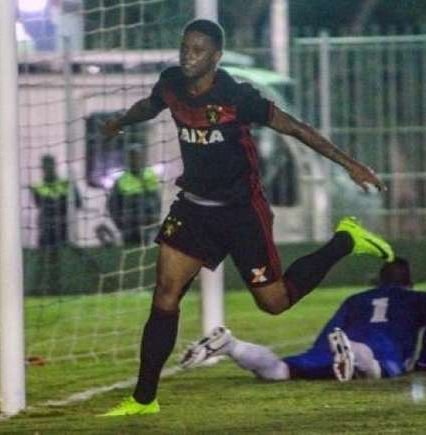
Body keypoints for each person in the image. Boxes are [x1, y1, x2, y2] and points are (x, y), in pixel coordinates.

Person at [99, 19, 393, 416]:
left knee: (274, 302)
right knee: (165, 295)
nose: (189, 55)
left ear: (216, 58)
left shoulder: (237, 96)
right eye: (185, 47)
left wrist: (350, 165)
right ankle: (143, 399)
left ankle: (345, 239)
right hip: (193, 209)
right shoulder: (171, 82)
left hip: (241, 212)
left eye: (199, 50)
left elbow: (296, 128)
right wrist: (119, 121)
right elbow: (149, 106)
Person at [180, 258, 426, 382]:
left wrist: (319, 351)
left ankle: (231, 345)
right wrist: (423, 362)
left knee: (280, 371)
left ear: (380, 280)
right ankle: (351, 351)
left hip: (334, 345)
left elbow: (333, 328)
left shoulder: (356, 299)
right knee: (376, 370)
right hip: (382, 347)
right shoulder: (419, 298)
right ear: (409, 282)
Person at [30, 154, 81, 293]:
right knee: (44, 259)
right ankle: (40, 287)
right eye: (45, 166)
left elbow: (78, 202)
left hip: (63, 228)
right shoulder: (37, 186)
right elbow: (39, 203)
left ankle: (59, 287)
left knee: (60, 260)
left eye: (50, 165)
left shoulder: (66, 184)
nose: (48, 168)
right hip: (46, 228)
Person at [107, 144, 162, 245]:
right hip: (129, 228)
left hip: (146, 228)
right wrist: (120, 224)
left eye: (138, 156)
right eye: (132, 156)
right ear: (128, 159)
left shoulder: (150, 175)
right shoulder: (121, 180)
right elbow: (112, 205)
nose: (136, 159)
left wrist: (155, 217)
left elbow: (157, 200)